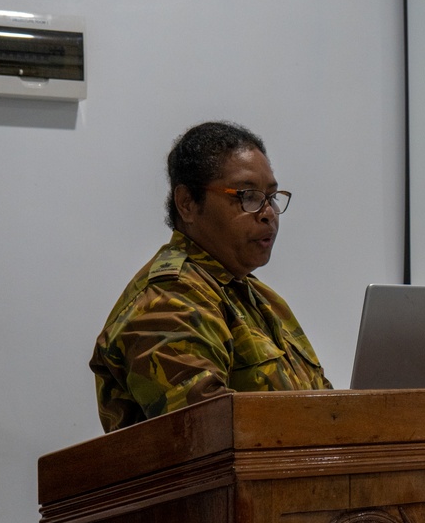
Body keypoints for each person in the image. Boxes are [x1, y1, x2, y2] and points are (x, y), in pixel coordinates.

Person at [91, 121, 331, 432]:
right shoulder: (168, 301)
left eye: (270, 197)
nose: (268, 213)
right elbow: (208, 432)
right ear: (187, 203)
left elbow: (325, 405)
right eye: (247, 196)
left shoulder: (262, 300)